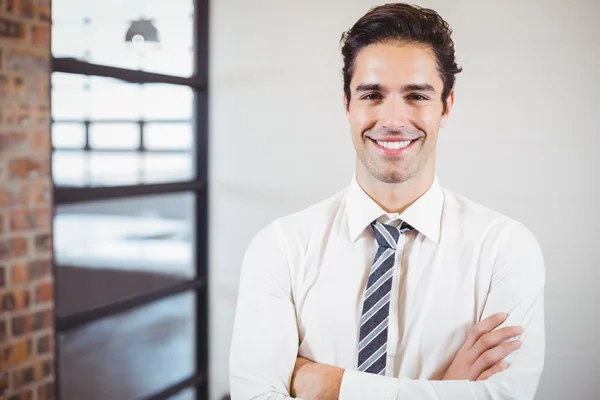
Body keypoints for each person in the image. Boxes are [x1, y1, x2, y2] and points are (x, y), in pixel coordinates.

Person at [229, 3, 545, 400]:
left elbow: (506, 397)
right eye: (372, 95)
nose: (393, 120)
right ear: (347, 104)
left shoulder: (505, 249)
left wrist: (331, 385)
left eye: (416, 96)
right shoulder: (280, 247)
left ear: (446, 106)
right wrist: (444, 392)